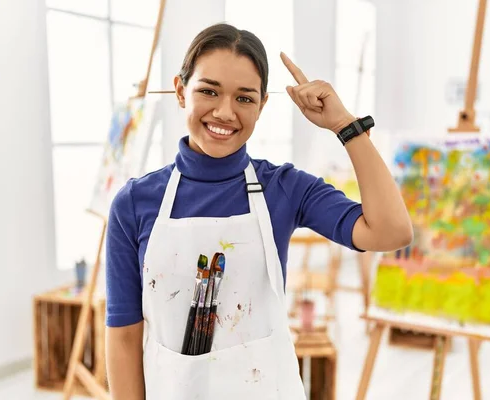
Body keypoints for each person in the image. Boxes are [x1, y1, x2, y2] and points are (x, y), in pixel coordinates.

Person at [105, 22, 412, 400]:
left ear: (263, 104)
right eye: (209, 91)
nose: (225, 112)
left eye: (244, 98)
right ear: (181, 91)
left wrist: (346, 126)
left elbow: (391, 231)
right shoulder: (134, 203)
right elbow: (123, 337)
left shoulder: (284, 187)